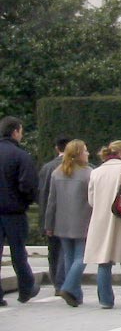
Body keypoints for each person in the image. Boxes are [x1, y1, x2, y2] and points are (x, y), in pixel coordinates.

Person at [83, 140, 121, 309]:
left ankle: (105, 299)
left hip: (101, 219)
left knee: (104, 260)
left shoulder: (96, 172)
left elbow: (91, 200)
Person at [45, 139, 92, 307]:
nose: (88, 153)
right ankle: (68, 287)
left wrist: (49, 224)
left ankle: (75, 295)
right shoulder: (88, 174)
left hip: (62, 222)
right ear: (78, 154)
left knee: (69, 257)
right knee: (82, 257)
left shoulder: (57, 172)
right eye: (85, 151)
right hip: (83, 221)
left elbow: (52, 202)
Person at [0, 115, 40, 305]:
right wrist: (25, 200)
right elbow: (28, 184)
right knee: (18, 254)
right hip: (14, 212)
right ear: (15, 131)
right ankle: (26, 288)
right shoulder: (21, 155)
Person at [38, 135, 71, 296]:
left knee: (54, 250)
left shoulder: (47, 167)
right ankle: (64, 282)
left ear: (57, 148)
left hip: (51, 215)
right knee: (68, 250)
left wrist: (45, 221)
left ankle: (57, 283)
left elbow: (43, 195)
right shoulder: (82, 167)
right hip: (71, 217)